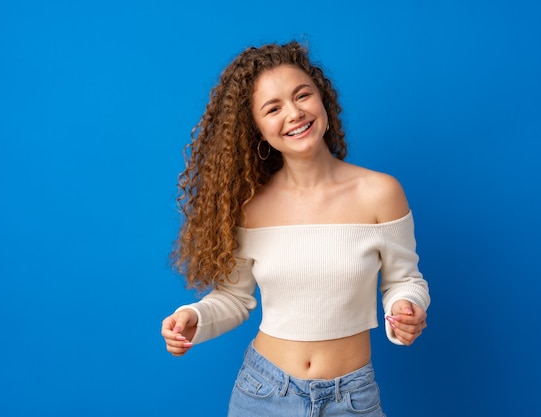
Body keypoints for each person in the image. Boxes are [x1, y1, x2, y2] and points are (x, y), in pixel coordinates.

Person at [161, 41, 430, 417]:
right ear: (255, 128)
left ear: (322, 99)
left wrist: (406, 307)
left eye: (302, 95)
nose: (294, 113)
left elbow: (405, 280)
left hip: (351, 397)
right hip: (263, 392)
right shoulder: (250, 207)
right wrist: (196, 318)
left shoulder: (380, 193)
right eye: (273, 108)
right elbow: (236, 299)